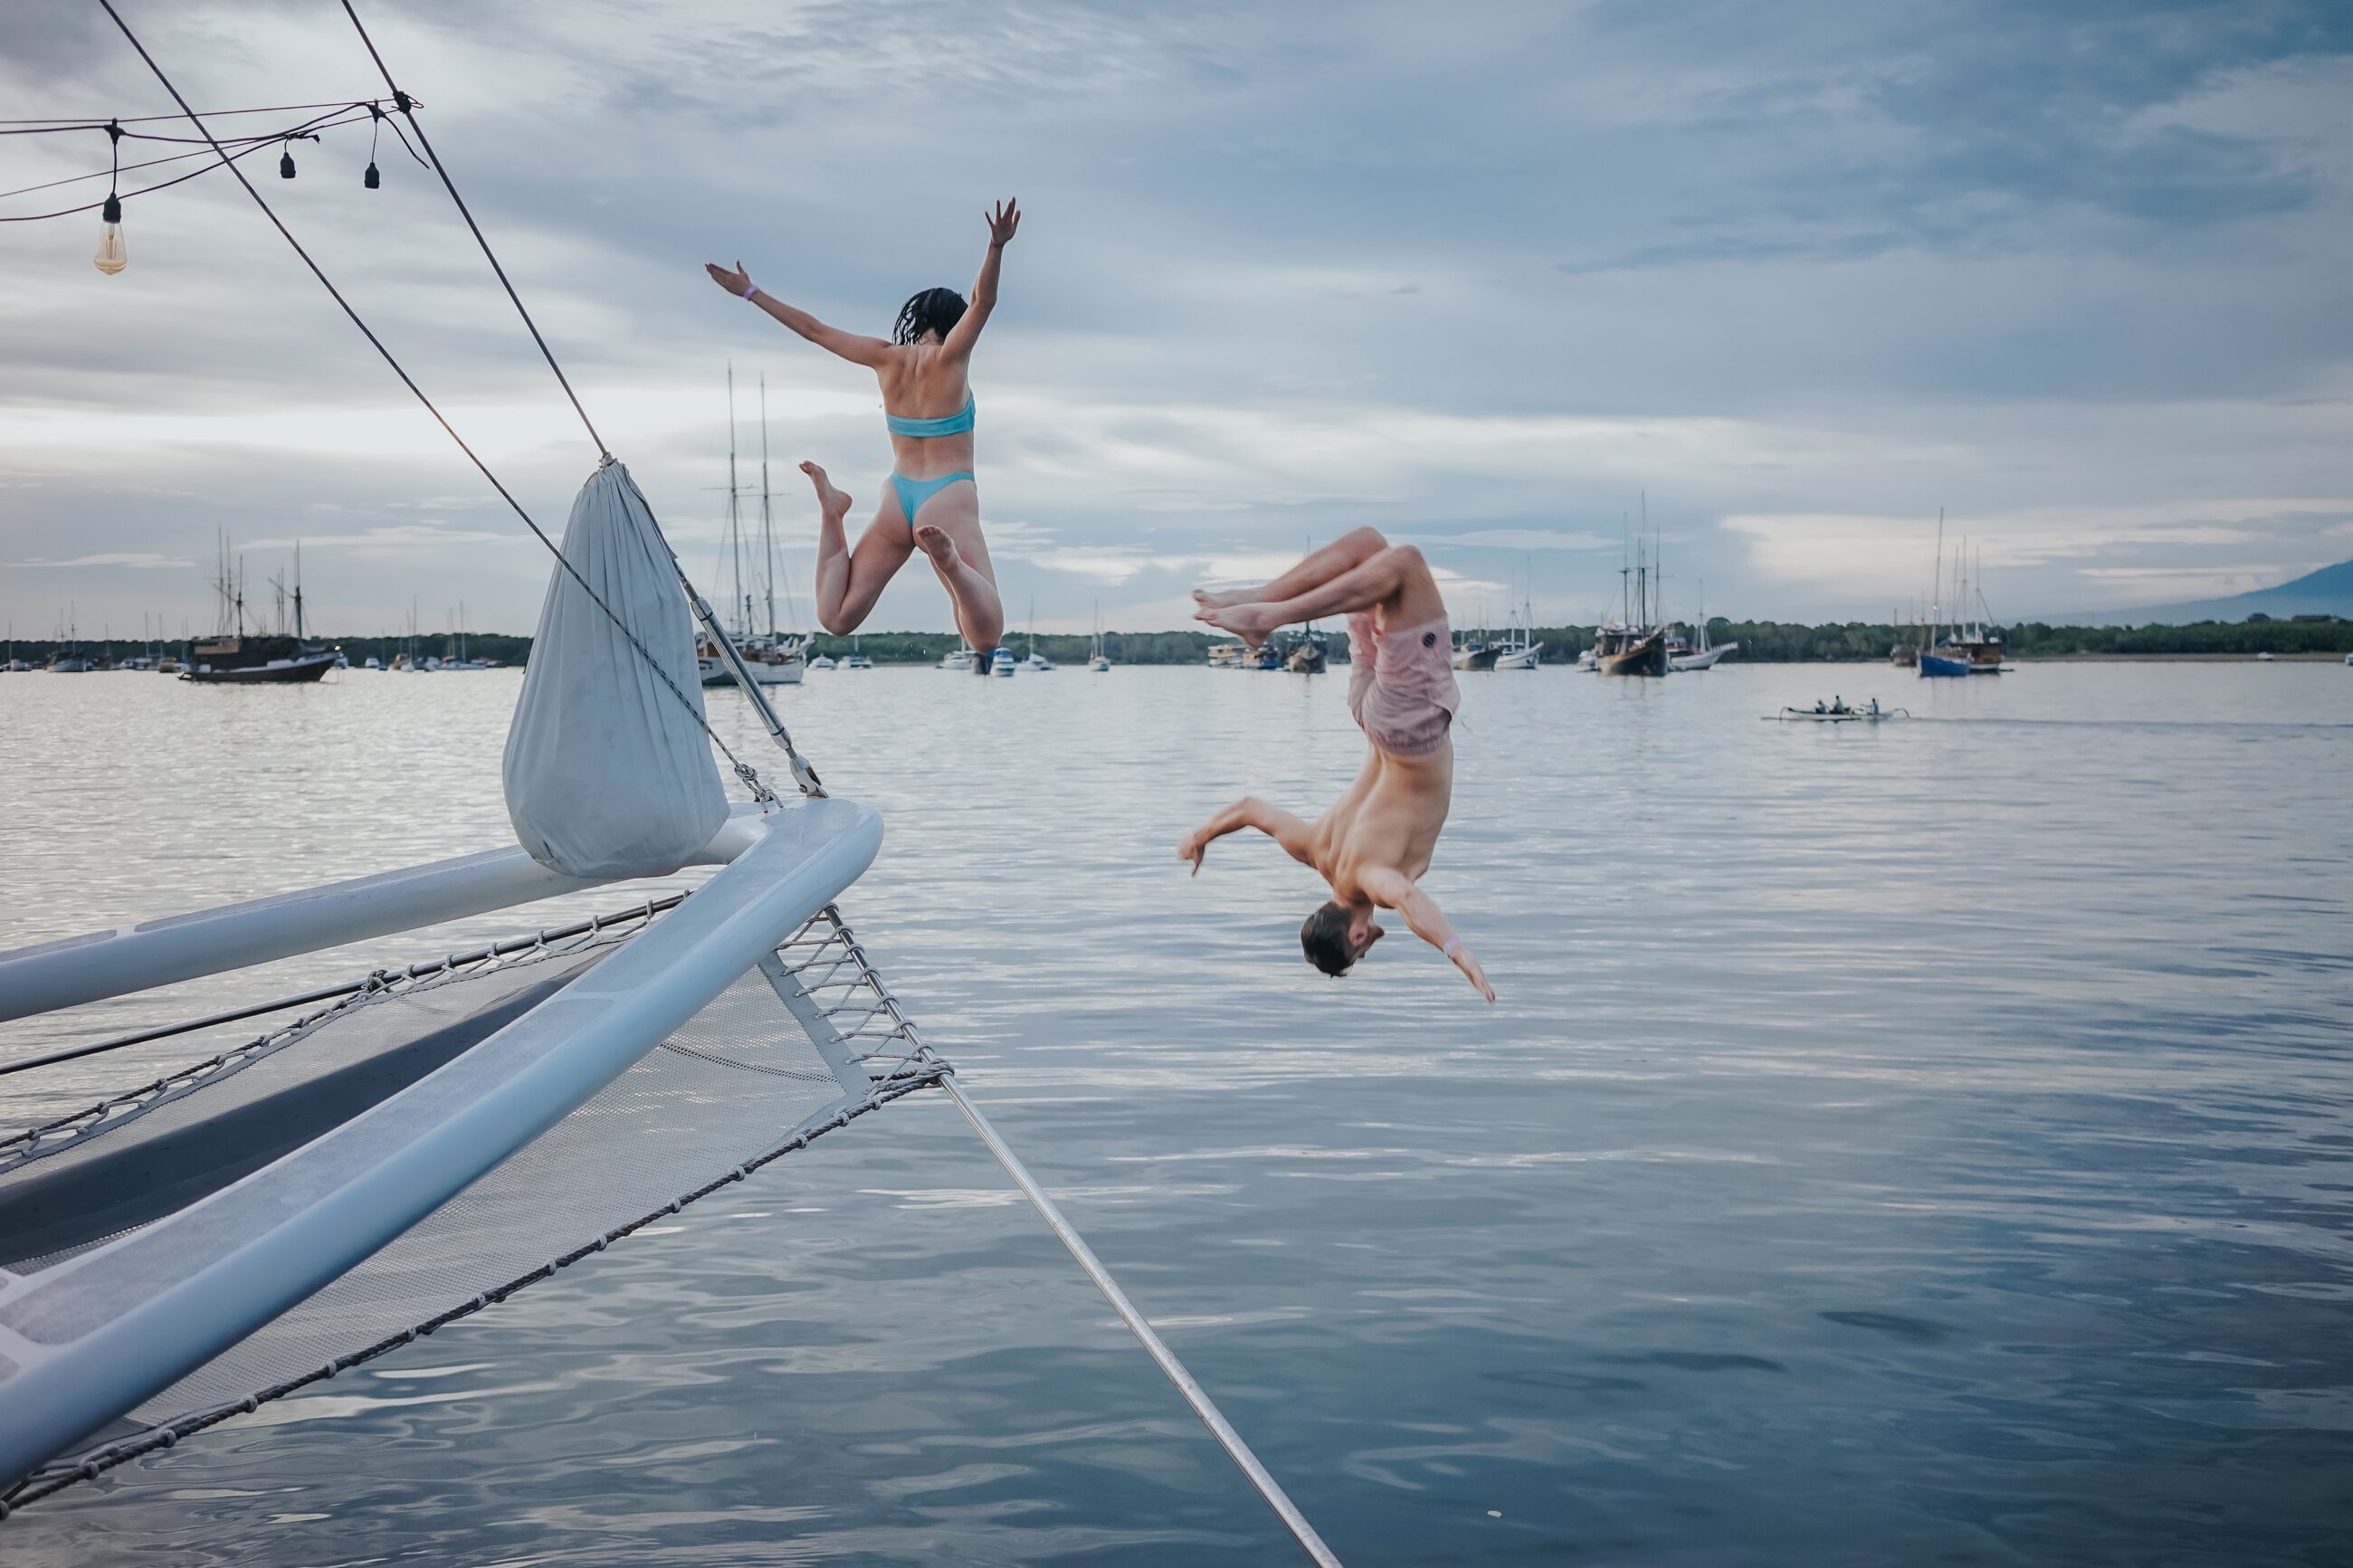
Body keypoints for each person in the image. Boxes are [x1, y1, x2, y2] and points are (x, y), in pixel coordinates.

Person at [704, 199, 1020, 670]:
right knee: (985, 638)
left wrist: (750, 291)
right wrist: (995, 247)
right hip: (947, 497)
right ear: (952, 325)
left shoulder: (884, 356)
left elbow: (813, 331)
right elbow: (984, 301)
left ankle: (833, 513)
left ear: (917, 322)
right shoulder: (951, 358)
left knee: (837, 617)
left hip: (898, 496)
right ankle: (951, 564)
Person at [1180, 528, 1494, 1002]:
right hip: (1371, 716)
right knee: (1369, 548)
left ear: (1354, 937)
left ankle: (1269, 613)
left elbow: (1409, 901)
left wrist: (1457, 951)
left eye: (1360, 955)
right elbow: (1248, 809)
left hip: (1410, 724)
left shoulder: (1373, 880)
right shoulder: (1314, 851)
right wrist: (1199, 836)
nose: (1368, 951)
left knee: (1404, 563)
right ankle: (1262, 602)